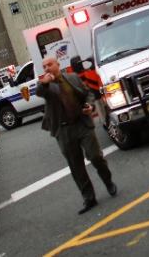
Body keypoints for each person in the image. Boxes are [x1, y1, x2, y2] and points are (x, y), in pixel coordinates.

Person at [37, 55, 117, 214]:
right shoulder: (46, 86)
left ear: (58, 65)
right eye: (44, 66)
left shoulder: (72, 78)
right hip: (63, 130)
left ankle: (108, 181)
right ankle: (89, 198)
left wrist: (89, 106)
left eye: (49, 65)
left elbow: (87, 93)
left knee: (95, 156)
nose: (47, 68)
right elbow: (39, 92)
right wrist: (44, 83)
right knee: (76, 167)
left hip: (82, 124)